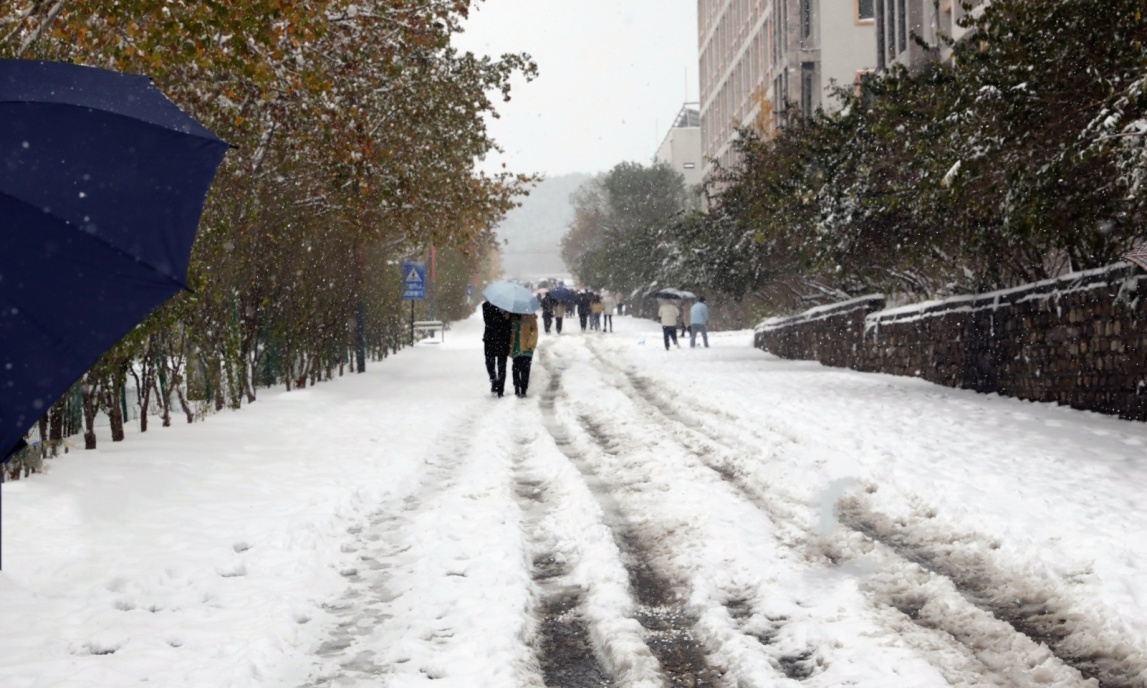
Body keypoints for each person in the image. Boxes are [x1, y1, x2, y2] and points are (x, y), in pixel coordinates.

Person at [482, 300, 512, 397]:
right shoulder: (486, 305)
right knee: (489, 363)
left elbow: (510, 325)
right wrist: (502, 316)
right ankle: (493, 379)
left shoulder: (509, 307)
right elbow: (488, 321)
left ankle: (501, 389)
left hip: (503, 340)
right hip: (490, 339)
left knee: (502, 366)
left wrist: (508, 318)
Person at [511, 312, 539, 397]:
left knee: (525, 371)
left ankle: (523, 389)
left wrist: (530, 343)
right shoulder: (513, 318)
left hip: (527, 349)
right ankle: (516, 388)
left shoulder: (530, 317)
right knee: (515, 370)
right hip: (516, 349)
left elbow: (535, 331)